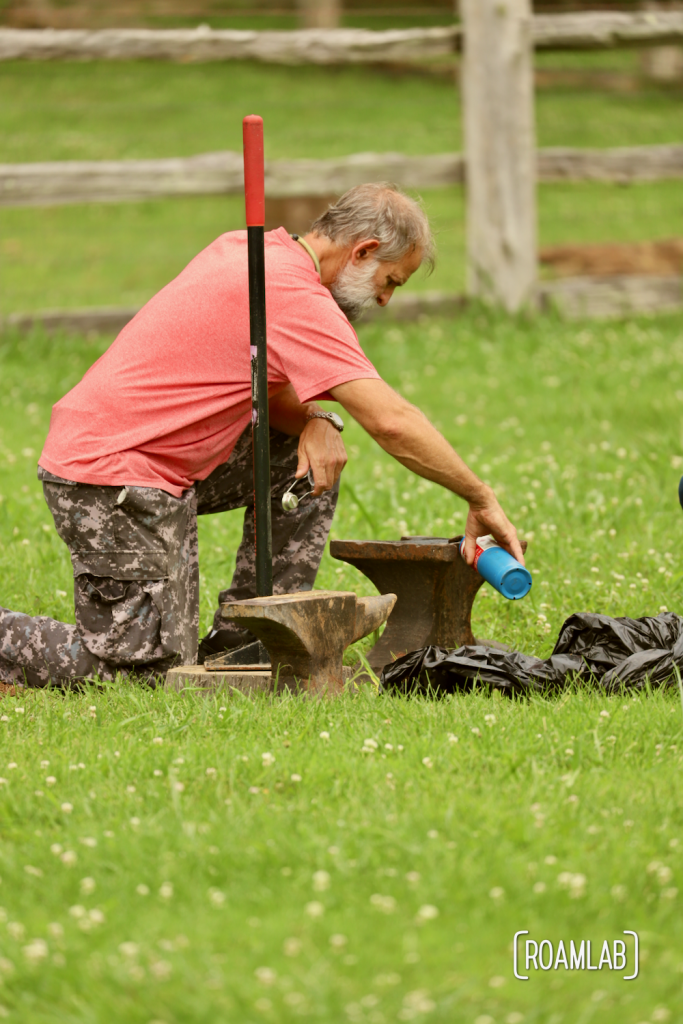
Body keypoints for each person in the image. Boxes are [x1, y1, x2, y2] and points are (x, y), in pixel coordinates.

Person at [0, 182, 523, 688]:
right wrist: (479, 496)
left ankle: (250, 642)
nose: (386, 299)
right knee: (139, 679)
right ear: (363, 251)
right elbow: (392, 421)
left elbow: (255, 380)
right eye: (392, 281)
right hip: (108, 476)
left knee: (303, 462)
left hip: (160, 465)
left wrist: (318, 420)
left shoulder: (255, 254)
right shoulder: (294, 293)